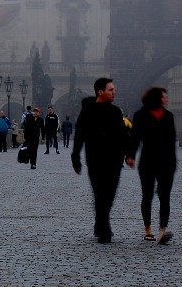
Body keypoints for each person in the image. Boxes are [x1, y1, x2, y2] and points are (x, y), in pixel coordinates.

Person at [71, 78, 128, 243]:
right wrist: (75, 158)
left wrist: (128, 153)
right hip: (95, 160)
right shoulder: (87, 111)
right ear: (100, 92)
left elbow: (123, 135)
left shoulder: (116, 111)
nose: (114, 92)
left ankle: (100, 221)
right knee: (99, 194)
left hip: (115, 160)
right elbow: (79, 135)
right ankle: (105, 229)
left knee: (109, 194)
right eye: (111, 90)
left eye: (114, 89)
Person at [126, 87, 177, 245]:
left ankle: (163, 229)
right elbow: (135, 137)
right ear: (156, 98)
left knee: (164, 196)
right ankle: (148, 229)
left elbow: (171, 141)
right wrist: (131, 155)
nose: (166, 99)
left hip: (166, 162)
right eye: (164, 97)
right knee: (147, 195)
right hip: (148, 161)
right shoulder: (140, 115)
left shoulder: (169, 116)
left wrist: (173, 163)